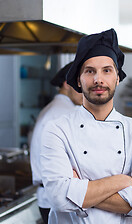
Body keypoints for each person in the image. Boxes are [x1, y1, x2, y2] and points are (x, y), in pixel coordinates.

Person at [40, 28, 132, 223]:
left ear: (117, 78)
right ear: (78, 81)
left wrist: (78, 188)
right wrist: (122, 181)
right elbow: (57, 198)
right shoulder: (57, 130)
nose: (98, 79)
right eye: (90, 71)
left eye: (107, 70)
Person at [30, 62, 83, 224]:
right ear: (67, 84)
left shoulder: (52, 108)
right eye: (80, 84)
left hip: (48, 197)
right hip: (59, 198)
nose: (86, 91)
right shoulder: (65, 113)